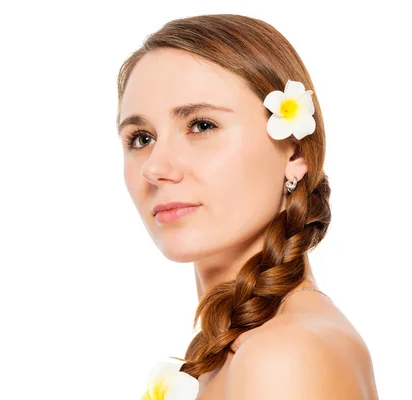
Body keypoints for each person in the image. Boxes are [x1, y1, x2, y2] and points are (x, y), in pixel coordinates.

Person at [116, 14, 379, 399]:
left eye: (201, 125)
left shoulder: (284, 355)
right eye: (140, 138)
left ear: (294, 150)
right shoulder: (230, 347)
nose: (155, 168)